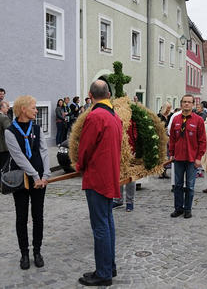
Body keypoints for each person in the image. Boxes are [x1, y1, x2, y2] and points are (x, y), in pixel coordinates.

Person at [76, 80, 122, 287]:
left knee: (100, 226)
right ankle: (109, 266)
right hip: (109, 175)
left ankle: (104, 272)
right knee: (108, 222)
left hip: (97, 177)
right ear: (108, 94)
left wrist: (79, 166)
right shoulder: (114, 116)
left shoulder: (95, 116)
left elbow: (85, 148)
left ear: (90, 95)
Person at [4, 95, 50, 270]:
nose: (36, 110)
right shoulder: (10, 131)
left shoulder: (37, 128)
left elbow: (44, 152)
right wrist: (34, 176)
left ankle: (37, 251)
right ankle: (24, 253)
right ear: (23, 109)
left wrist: (45, 175)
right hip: (20, 180)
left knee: (38, 216)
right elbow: (18, 157)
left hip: (40, 180)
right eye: (33, 107)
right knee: (21, 217)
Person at [169, 94, 206, 219]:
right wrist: (171, 153)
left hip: (192, 159)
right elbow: (172, 139)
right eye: (184, 102)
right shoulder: (176, 119)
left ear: (193, 104)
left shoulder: (198, 120)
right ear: (181, 104)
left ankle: (188, 209)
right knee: (178, 185)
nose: (186, 104)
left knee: (190, 186)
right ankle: (178, 208)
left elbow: (202, 141)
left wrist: (199, 158)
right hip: (178, 158)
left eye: (189, 102)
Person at [113, 120, 137, 212]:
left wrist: (134, 148)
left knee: (130, 177)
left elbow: (135, 133)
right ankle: (117, 199)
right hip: (117, 149)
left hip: (130, 150)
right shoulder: (115, 114)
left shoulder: (132, 117)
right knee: (118, 175)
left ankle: (129, 202)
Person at [0, 100, 11, 169]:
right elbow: (9, 131)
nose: (8, 108)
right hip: (3, 148)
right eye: (7, 107)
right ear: (2, 108)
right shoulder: (4, 117)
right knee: (4, 168)